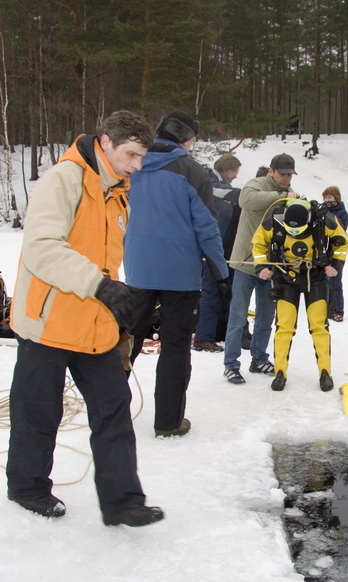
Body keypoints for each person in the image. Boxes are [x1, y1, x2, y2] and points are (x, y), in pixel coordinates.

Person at [6, 110, 164, 526]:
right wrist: (100, 286)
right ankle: (27, 487)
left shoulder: (118, 192)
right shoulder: (65, 179)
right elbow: (42, 248)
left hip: (94, 322)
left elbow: (100, 256)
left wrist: (118, 295)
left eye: (142, 157)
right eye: (131, 154)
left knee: (114, 410)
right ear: (106, 142)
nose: (137, 165)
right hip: (48, 321)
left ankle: (123, 502)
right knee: (39, 412)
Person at [125, 110, 228, 437]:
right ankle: (168, 422)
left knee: (127, 343)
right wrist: (220, 272)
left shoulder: (131, 163)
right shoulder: (192, 171)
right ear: (188, 139)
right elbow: (207, 227)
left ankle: (109, 413)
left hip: (138, 269)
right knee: (175, 348)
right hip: (180, 275)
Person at [253, 197, 348, 392]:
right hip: (285, 276)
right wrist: (262, 266)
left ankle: (325, 372)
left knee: (319, 325)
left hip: (316, 276)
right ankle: (280, 372)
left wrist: (336, 265)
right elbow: (258, 243)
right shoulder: (274, 221)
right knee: (284, 326)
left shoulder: (325, 220)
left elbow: (343, 242)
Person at [222, 155, 295, 385]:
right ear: (271, 171)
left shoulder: (290, 193)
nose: (286, 178)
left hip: (272, 266)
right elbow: (245, 199)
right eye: (282, 173)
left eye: (289, 174)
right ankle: (231, 364)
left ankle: (259, 358)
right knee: (238, 317)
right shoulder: (256, 184)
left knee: (265, 317)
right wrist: (281, 197)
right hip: (246, 263)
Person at [193, 153, 242, 352]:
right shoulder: (211, 181)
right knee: (211, 291)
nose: (235, 176)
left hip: (222, 249)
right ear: (226, 167)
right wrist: (244, 194)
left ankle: (219, 331)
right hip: (210, 248)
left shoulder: (225, 185)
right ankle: (203, 337)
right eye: (234, 171)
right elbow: (218, 193)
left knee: (224, 290)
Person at [322, 186, 348, 322]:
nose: (327, 200)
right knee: (323, 282)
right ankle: (326, 308)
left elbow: (341, 231)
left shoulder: (341, 212)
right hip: (323, 250)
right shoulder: (322, 210)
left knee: (336, 282)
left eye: (330, 197)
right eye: (325, 198)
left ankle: (338, 310)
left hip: (336, 251)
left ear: (336, 198)